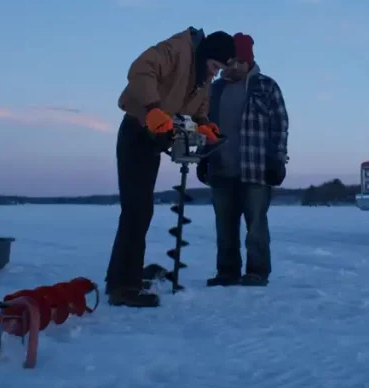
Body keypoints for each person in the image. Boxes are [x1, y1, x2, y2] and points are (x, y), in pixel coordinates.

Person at [107, 27, 235, 307]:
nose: (214, 74)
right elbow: (140, 69)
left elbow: (198, 108)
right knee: (136, 209)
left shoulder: (201, 77)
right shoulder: (176, 50)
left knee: (141, 210)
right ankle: (122, 287)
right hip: (137, 130)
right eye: (214, 67)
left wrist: (204, 125)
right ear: (206, 55)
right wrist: (153, 108)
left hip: (156, 136)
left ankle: (124, 277)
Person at [197, 32, 289, 287]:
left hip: (256, 170)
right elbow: (203, 124)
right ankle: (227, 271)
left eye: (240, 61)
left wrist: (277, 160)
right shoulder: (213, 90)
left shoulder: (266, 86)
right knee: (224, 227)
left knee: (256, 226)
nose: (235, 66)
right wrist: (203, 158)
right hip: (221, 169)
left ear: (250, 61)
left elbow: (280, 125)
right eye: (230, 61)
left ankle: (257, 272)